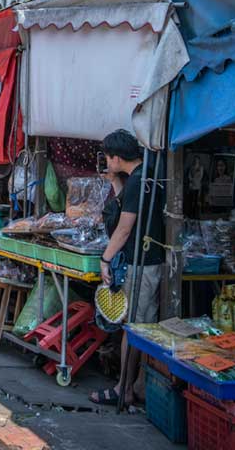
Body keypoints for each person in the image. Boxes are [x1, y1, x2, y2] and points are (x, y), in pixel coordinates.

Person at [91, 129, 166, 407]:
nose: (107, 162)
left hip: (143, 264)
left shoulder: (138, 182)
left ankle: (124, 389)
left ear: (117, 157)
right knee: (138, 327)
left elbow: (124, 229)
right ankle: (136, 385)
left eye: (108, 158)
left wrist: (105, 259)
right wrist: (115, 181)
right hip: (147, 261)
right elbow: (127, 207)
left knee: (135, 329)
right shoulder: (144, 175)